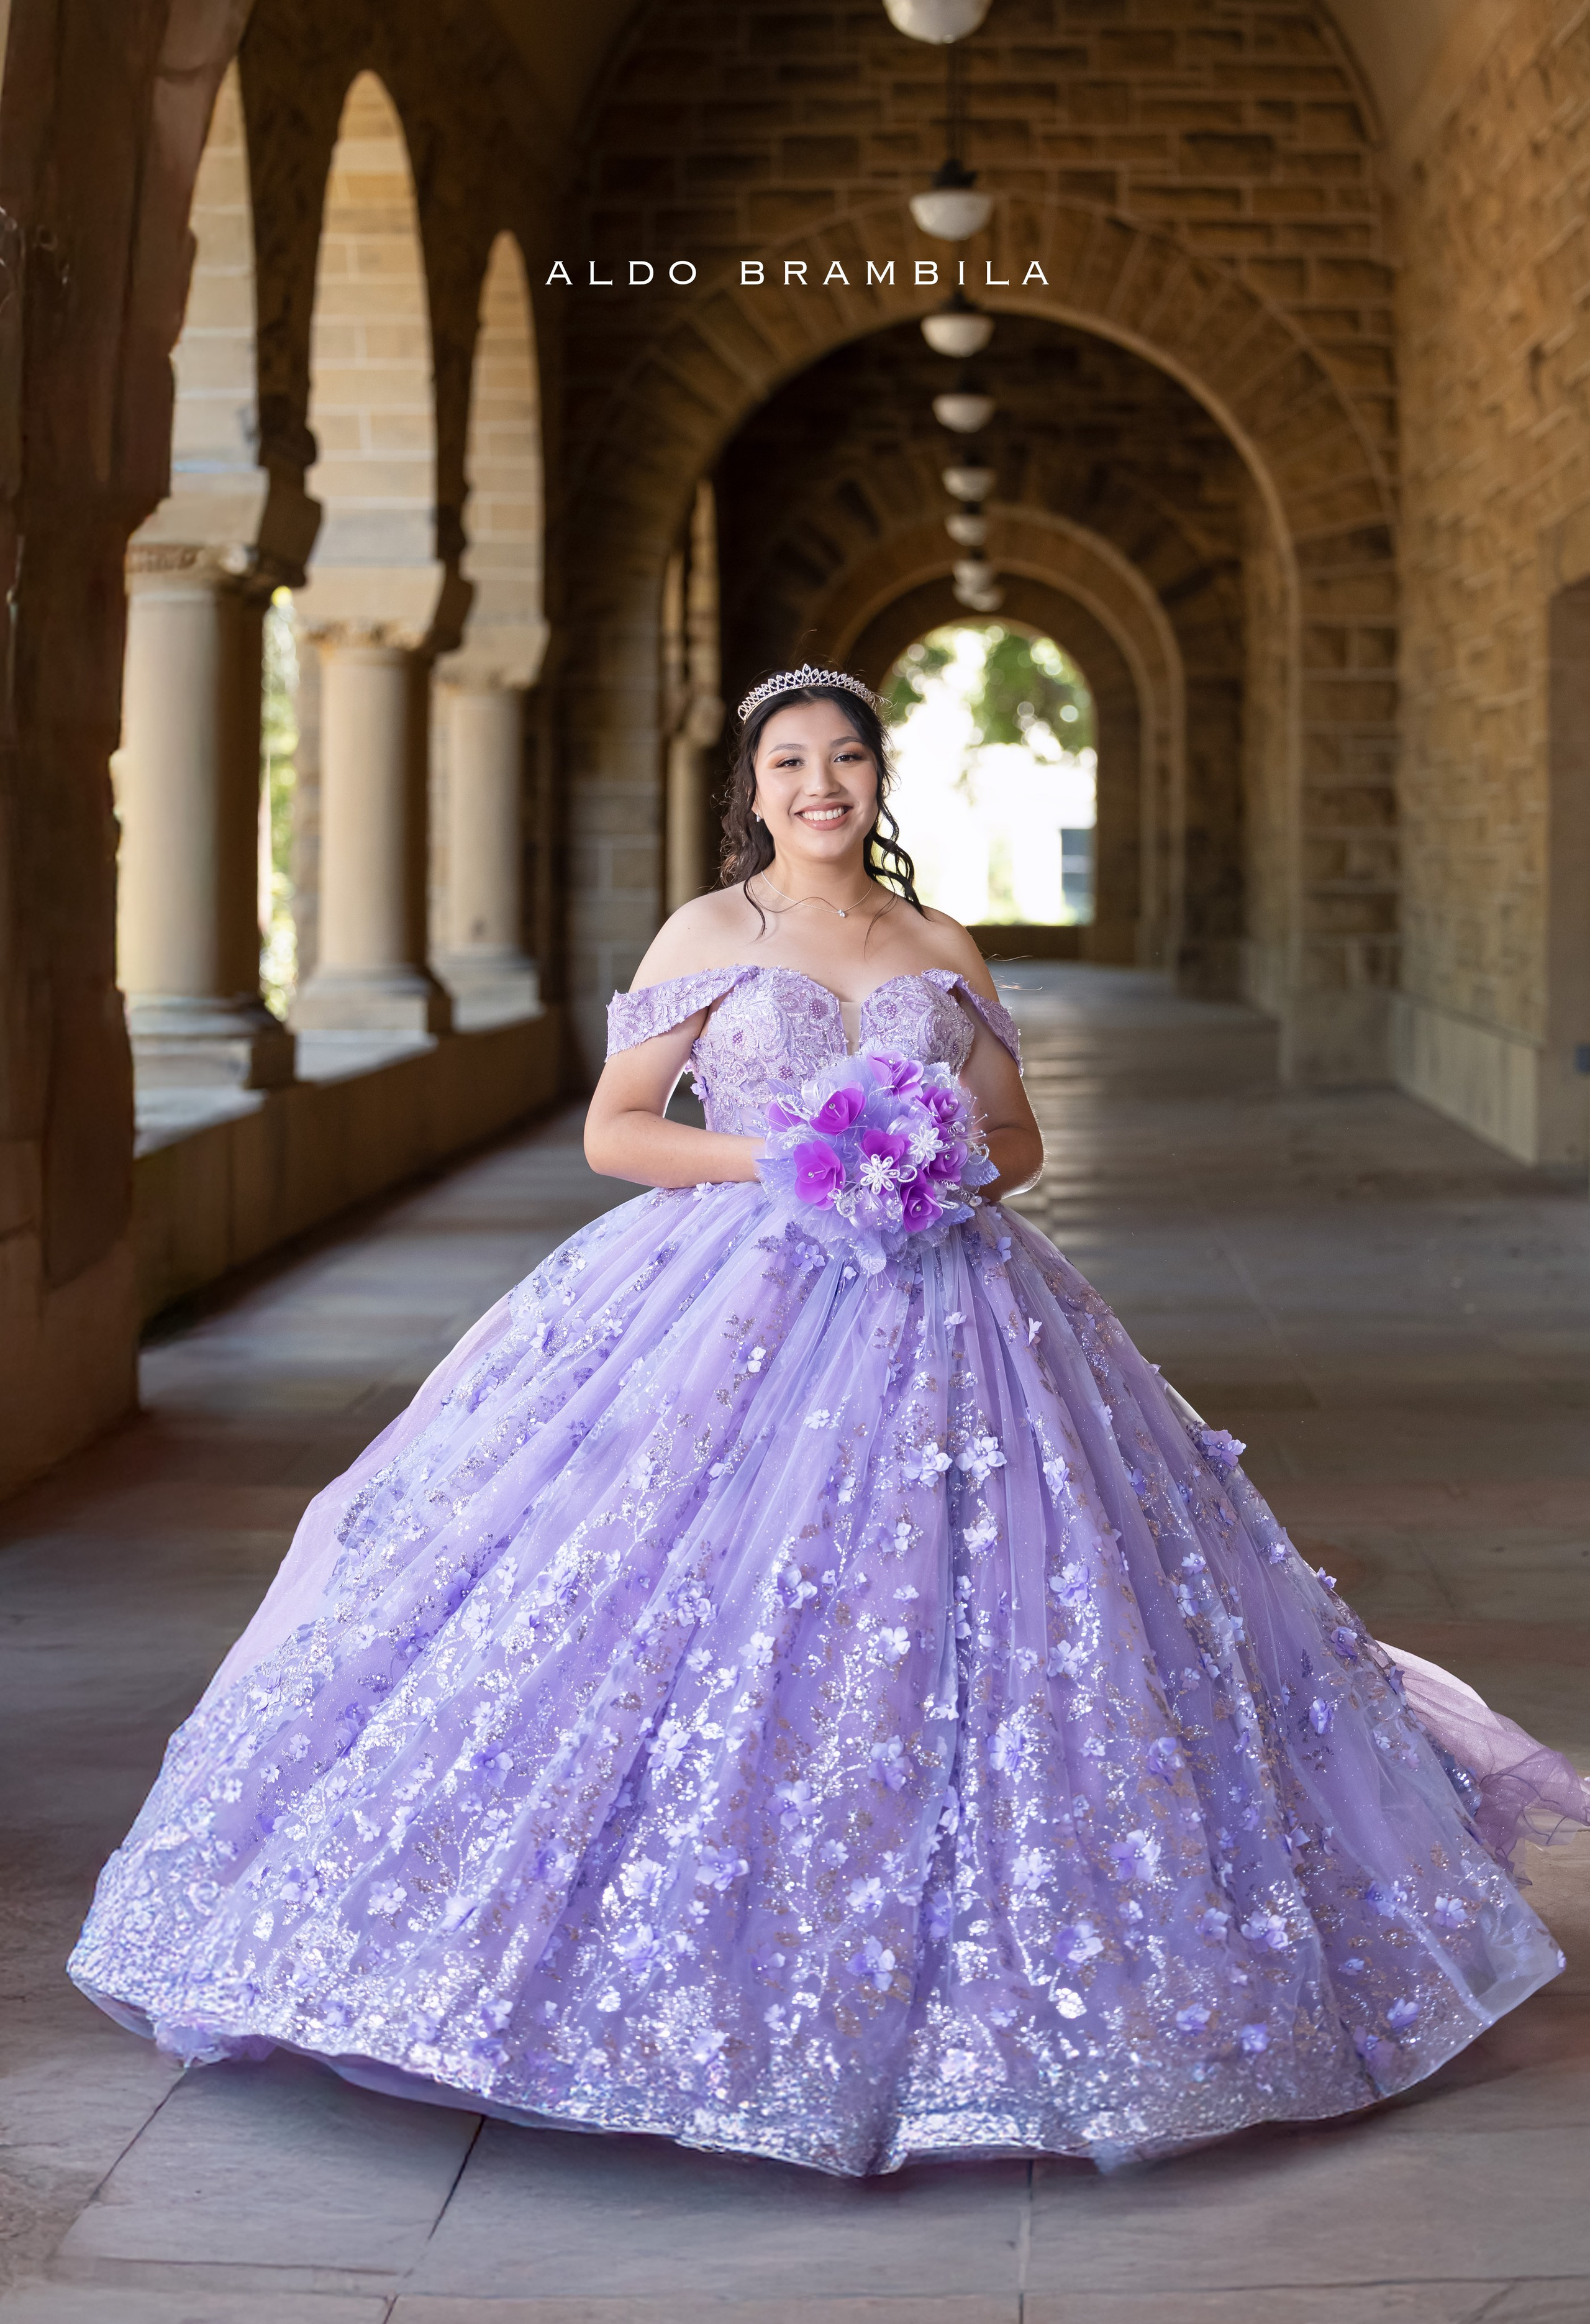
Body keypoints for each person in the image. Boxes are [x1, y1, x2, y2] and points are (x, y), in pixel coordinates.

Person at [71, 665, 1588, 2177]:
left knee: (1000, 1604)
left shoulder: (934, 940)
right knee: (673, 1594)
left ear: (877, 777)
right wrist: (782, 1158)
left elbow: (1018, 1134)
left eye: (846, 758)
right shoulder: (709, 934)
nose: (819, 785)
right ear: (751, 789)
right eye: (789, 761)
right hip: (726, 1298)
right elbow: (617, 1130)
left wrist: (934, 1163)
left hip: (955, 1308)